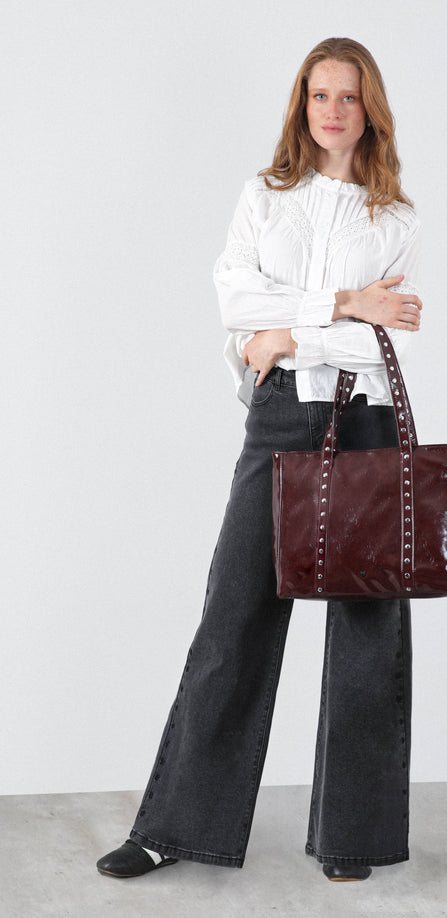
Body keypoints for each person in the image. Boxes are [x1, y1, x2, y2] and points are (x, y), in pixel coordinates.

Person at [96, 36, 423, 884]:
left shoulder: (397, 218)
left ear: (370, 108)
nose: (332, 111)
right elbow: (234, 301)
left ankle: (354, 840)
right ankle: (175, 828)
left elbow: (373, 342)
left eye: (348, 96)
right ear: (301, 105)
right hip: (279, 421)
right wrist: (343, 304)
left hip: (363, 422)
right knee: (234, 616)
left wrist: (284, 334)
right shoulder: (264, 197)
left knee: (367, 633)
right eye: (319, 95)